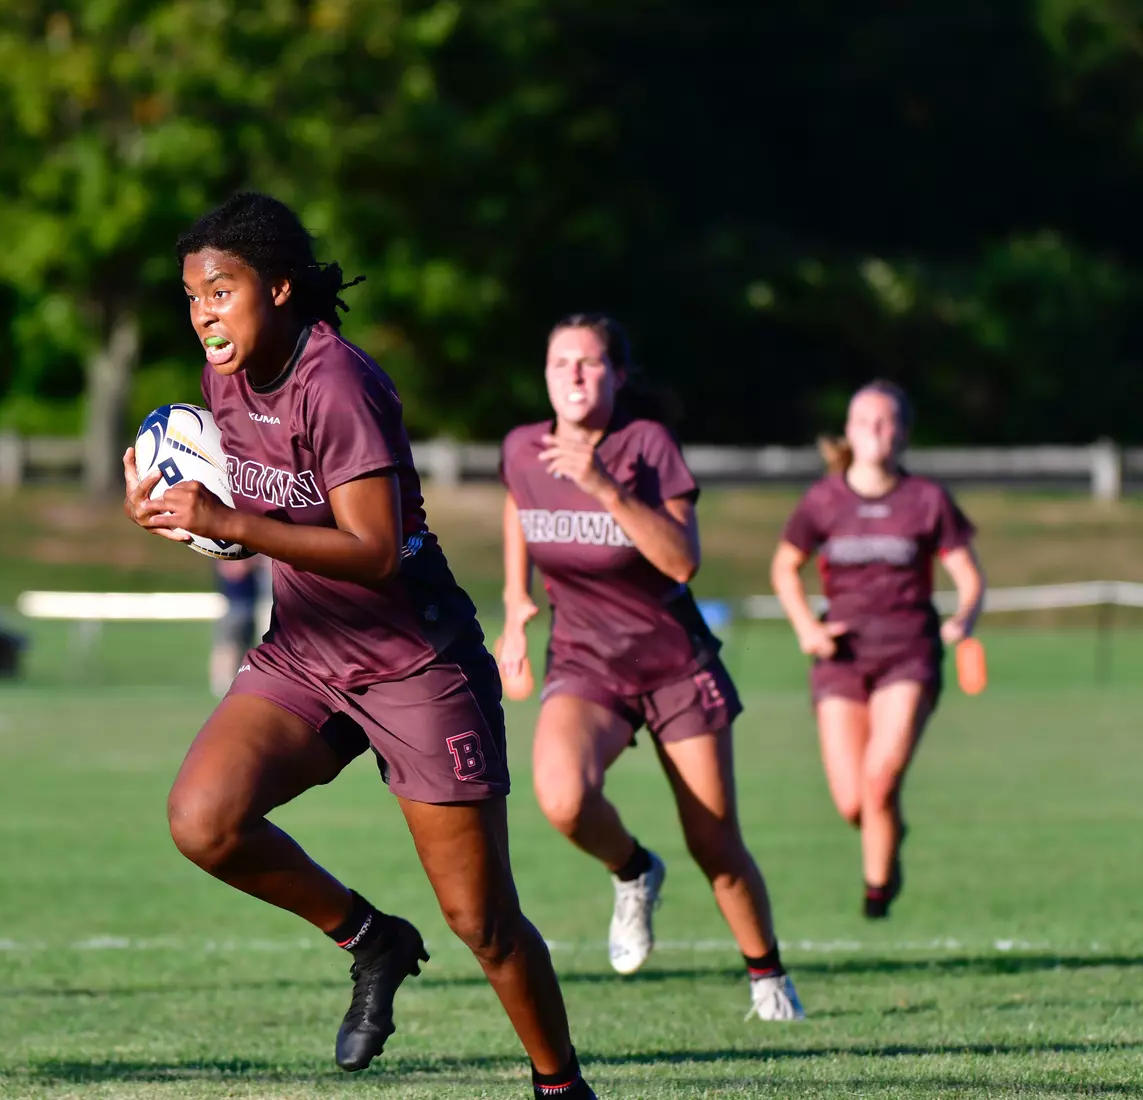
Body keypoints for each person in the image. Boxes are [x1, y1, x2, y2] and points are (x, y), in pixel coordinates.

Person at [124, 193, 600, 1099]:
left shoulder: (336, 382)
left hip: (414, 664)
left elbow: (374, 549)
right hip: (306, 653)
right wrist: (173, 515)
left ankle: (560, 1087)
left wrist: (226, 520)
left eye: (220, 292)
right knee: (204, 821)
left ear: (279, 286)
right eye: (191, 297)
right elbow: (251, 511)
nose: (203, 315)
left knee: (483, 920)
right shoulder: (225, 378)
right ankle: (371, 937)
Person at [496, 314, 806, 1022]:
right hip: (585, 660)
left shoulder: (647, 447)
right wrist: (515, 606)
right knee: (563, 799)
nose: (574, 374)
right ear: (545, 375)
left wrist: (606, 487)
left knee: (714, 840)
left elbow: (681, 560)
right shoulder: (521, 448)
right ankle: (634, 871)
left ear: (618, 375)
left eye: (591, 362)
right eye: (560, 362)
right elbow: (519, 504)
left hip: (672, 663)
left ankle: (767, 977)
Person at [770, 381, 984, 919]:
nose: (875, 432)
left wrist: (964, 616)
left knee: (880, 777)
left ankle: (876, 891)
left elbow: (969, 577)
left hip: (908, 653)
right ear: (848, 431)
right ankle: (889, 831)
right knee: (853, 801)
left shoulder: (927, 499)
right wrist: (805, 628)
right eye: (864, 421)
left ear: (904, 433)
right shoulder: (823, 499)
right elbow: (783, 567)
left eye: (887, 422)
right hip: (840, 658)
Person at [209, 556, 268, 695]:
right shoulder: (229, 553)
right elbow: (236, 570)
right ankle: (222, 682)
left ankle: (242, 680)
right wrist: (254, 562)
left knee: (246, 646)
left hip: (251, 606)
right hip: (235, 606)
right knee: (229, 645)